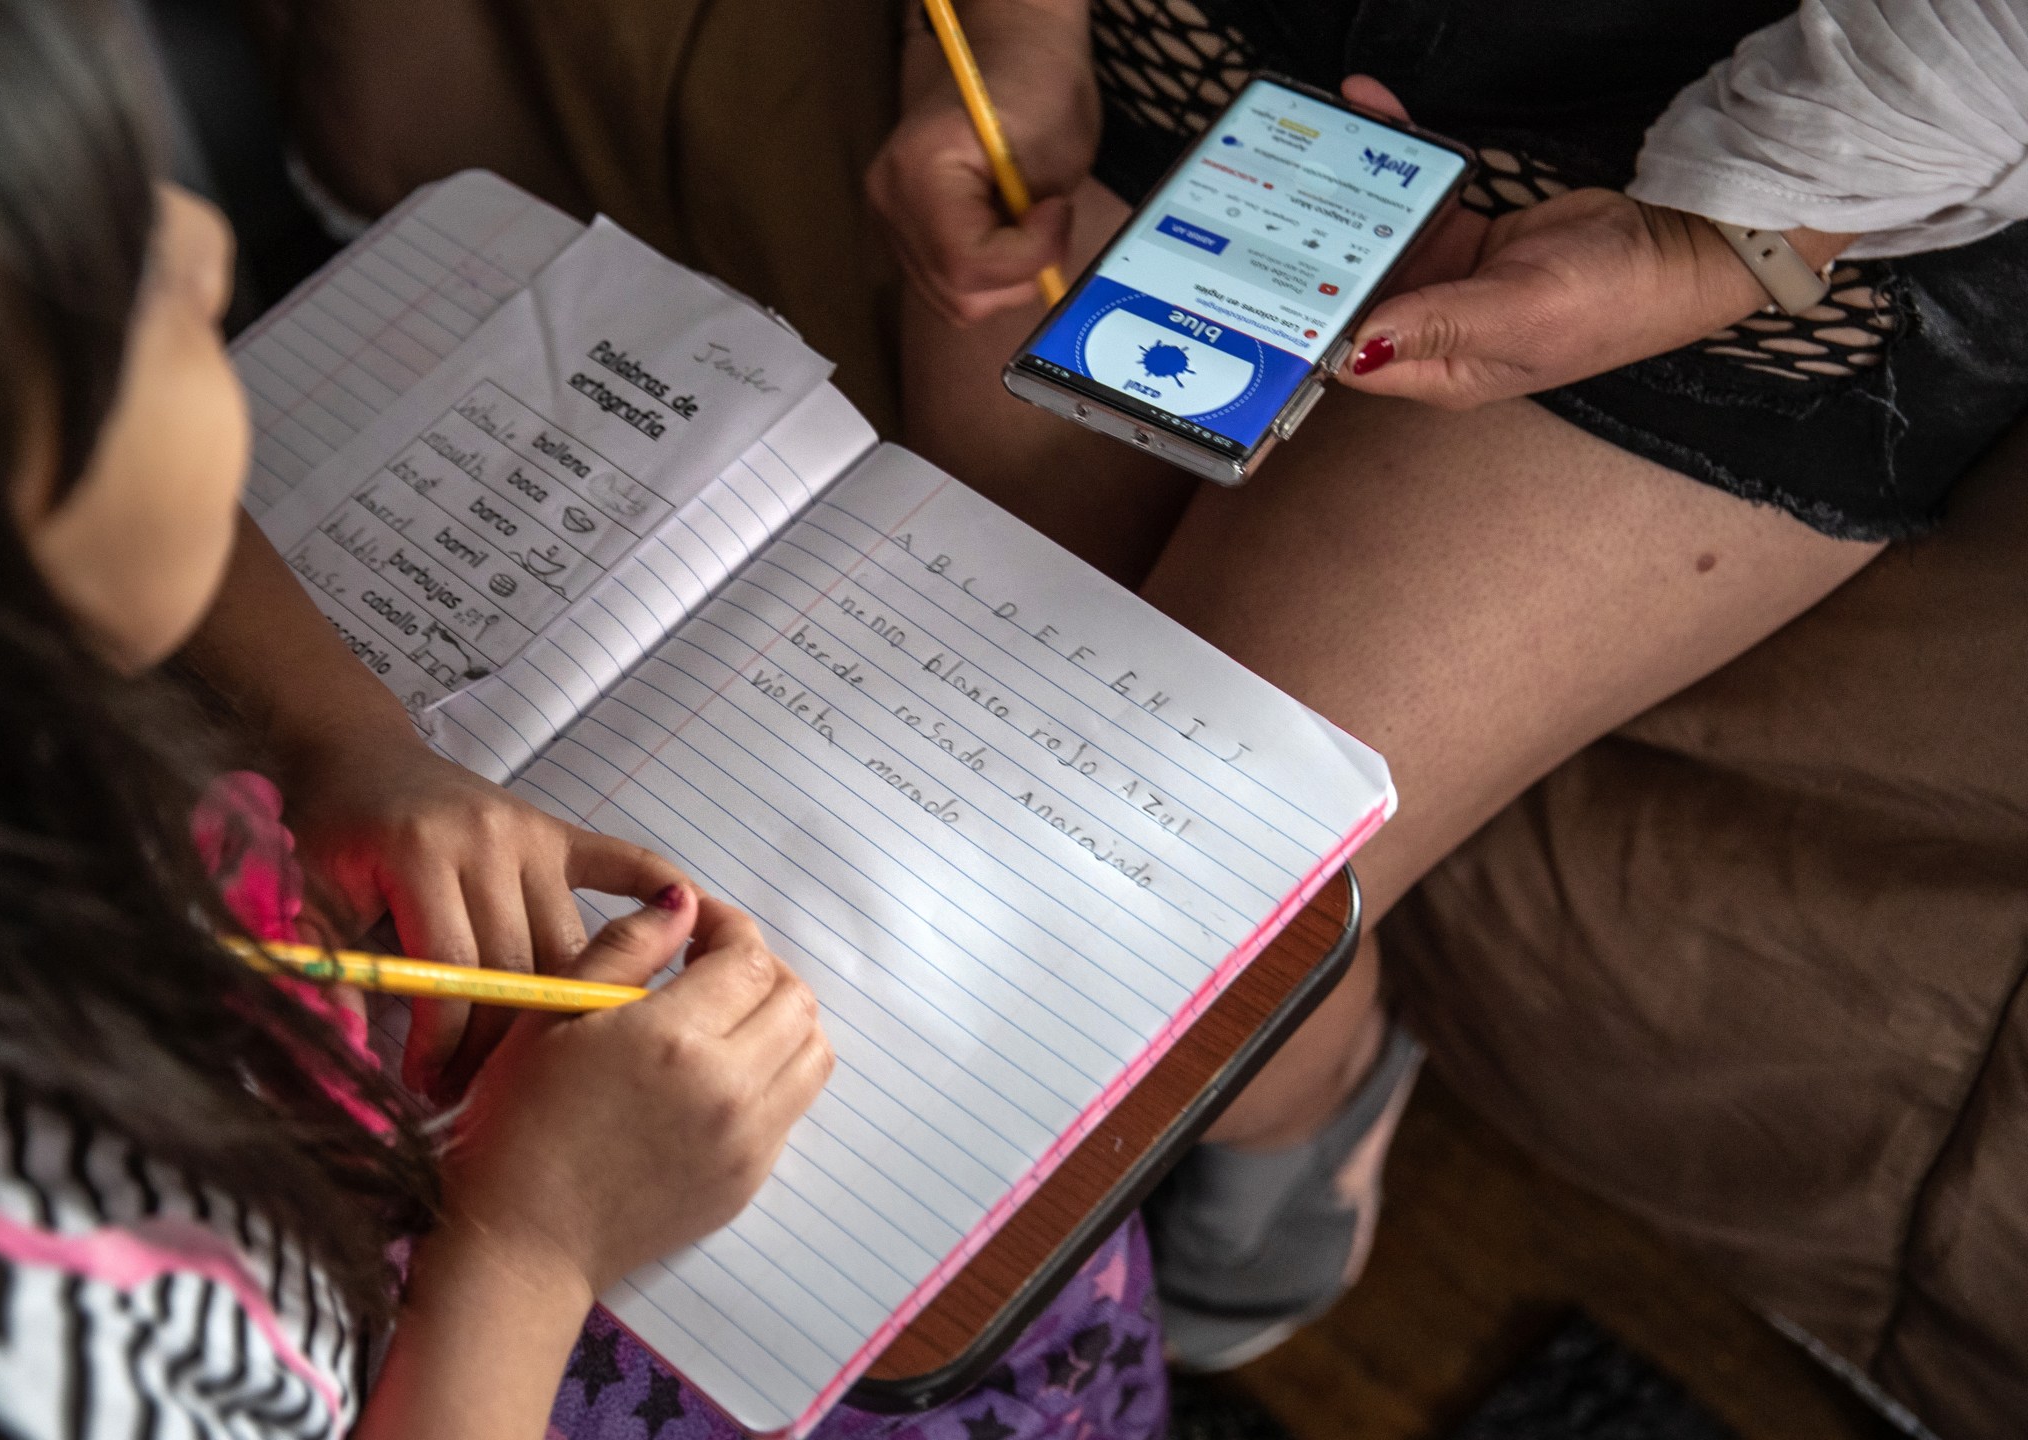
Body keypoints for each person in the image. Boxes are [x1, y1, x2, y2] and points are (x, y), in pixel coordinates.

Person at [0, 2, 838, 1436]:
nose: (205, 246)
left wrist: (345, 738)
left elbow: (123, 528)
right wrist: (533, 1245)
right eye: (117, 268)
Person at [869, 0, 2028, 1367]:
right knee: (969, 729)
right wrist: (1012, 33)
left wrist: (1709, 248)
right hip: (1194, 31)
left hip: (1810, 146)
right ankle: (1291, 1085)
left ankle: (1306, 1102)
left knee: (1171, 904)